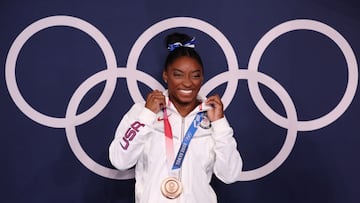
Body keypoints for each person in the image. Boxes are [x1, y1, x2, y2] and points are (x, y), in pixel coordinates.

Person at [109, 32, 243, 203]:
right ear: (165, 75)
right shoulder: (142, 112)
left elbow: (230, 175)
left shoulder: (212, 117)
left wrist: (220, 124)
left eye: (195, 75)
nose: (187, 83)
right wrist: (146, 116)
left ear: (202, 77)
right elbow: (120, 160)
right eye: (178, 74)